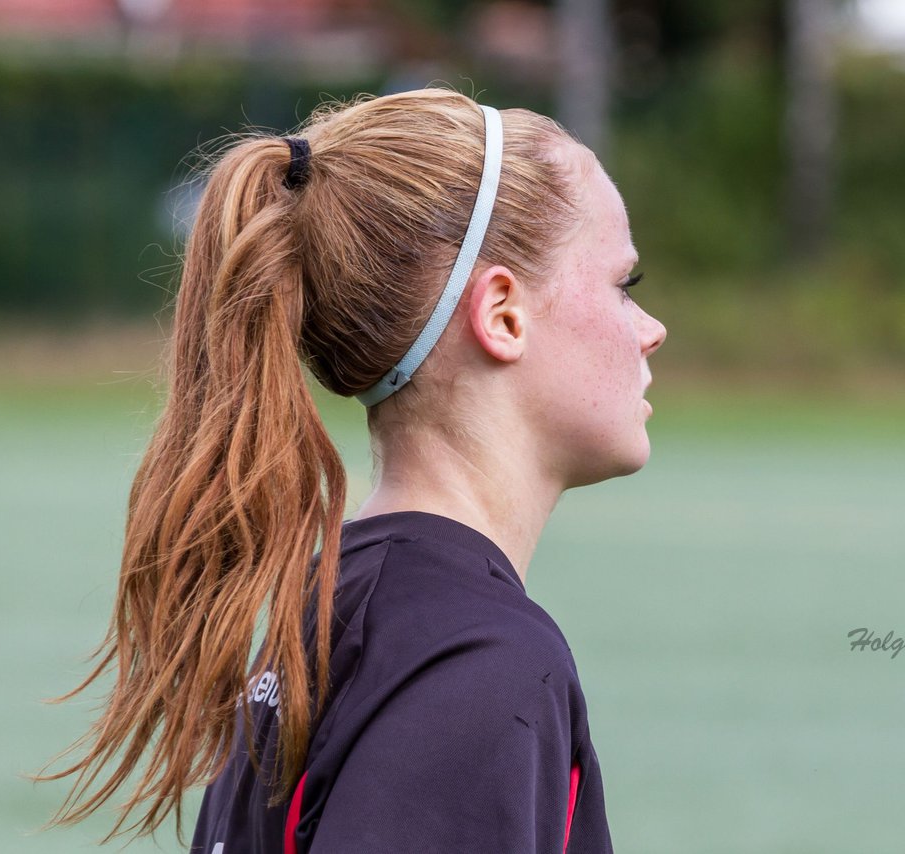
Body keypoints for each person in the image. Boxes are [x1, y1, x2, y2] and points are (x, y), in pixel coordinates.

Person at [40, 87, 666, 853]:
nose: (651, 329)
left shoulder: (331, 611)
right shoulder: (479, 665)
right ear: (503, 314)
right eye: (622, 286)